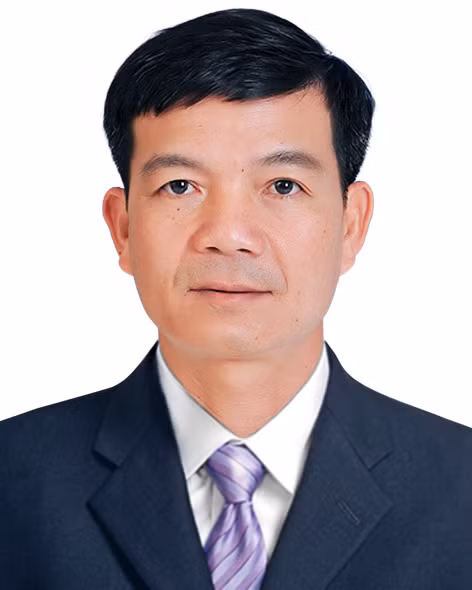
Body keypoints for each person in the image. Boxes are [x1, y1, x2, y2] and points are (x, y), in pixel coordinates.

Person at [1, 7, 471, 589]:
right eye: (180, 186)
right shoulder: (13, 483)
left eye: (283, 185)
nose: (228, 234)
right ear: (122, 229)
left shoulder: (461, 489)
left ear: (352, 225)